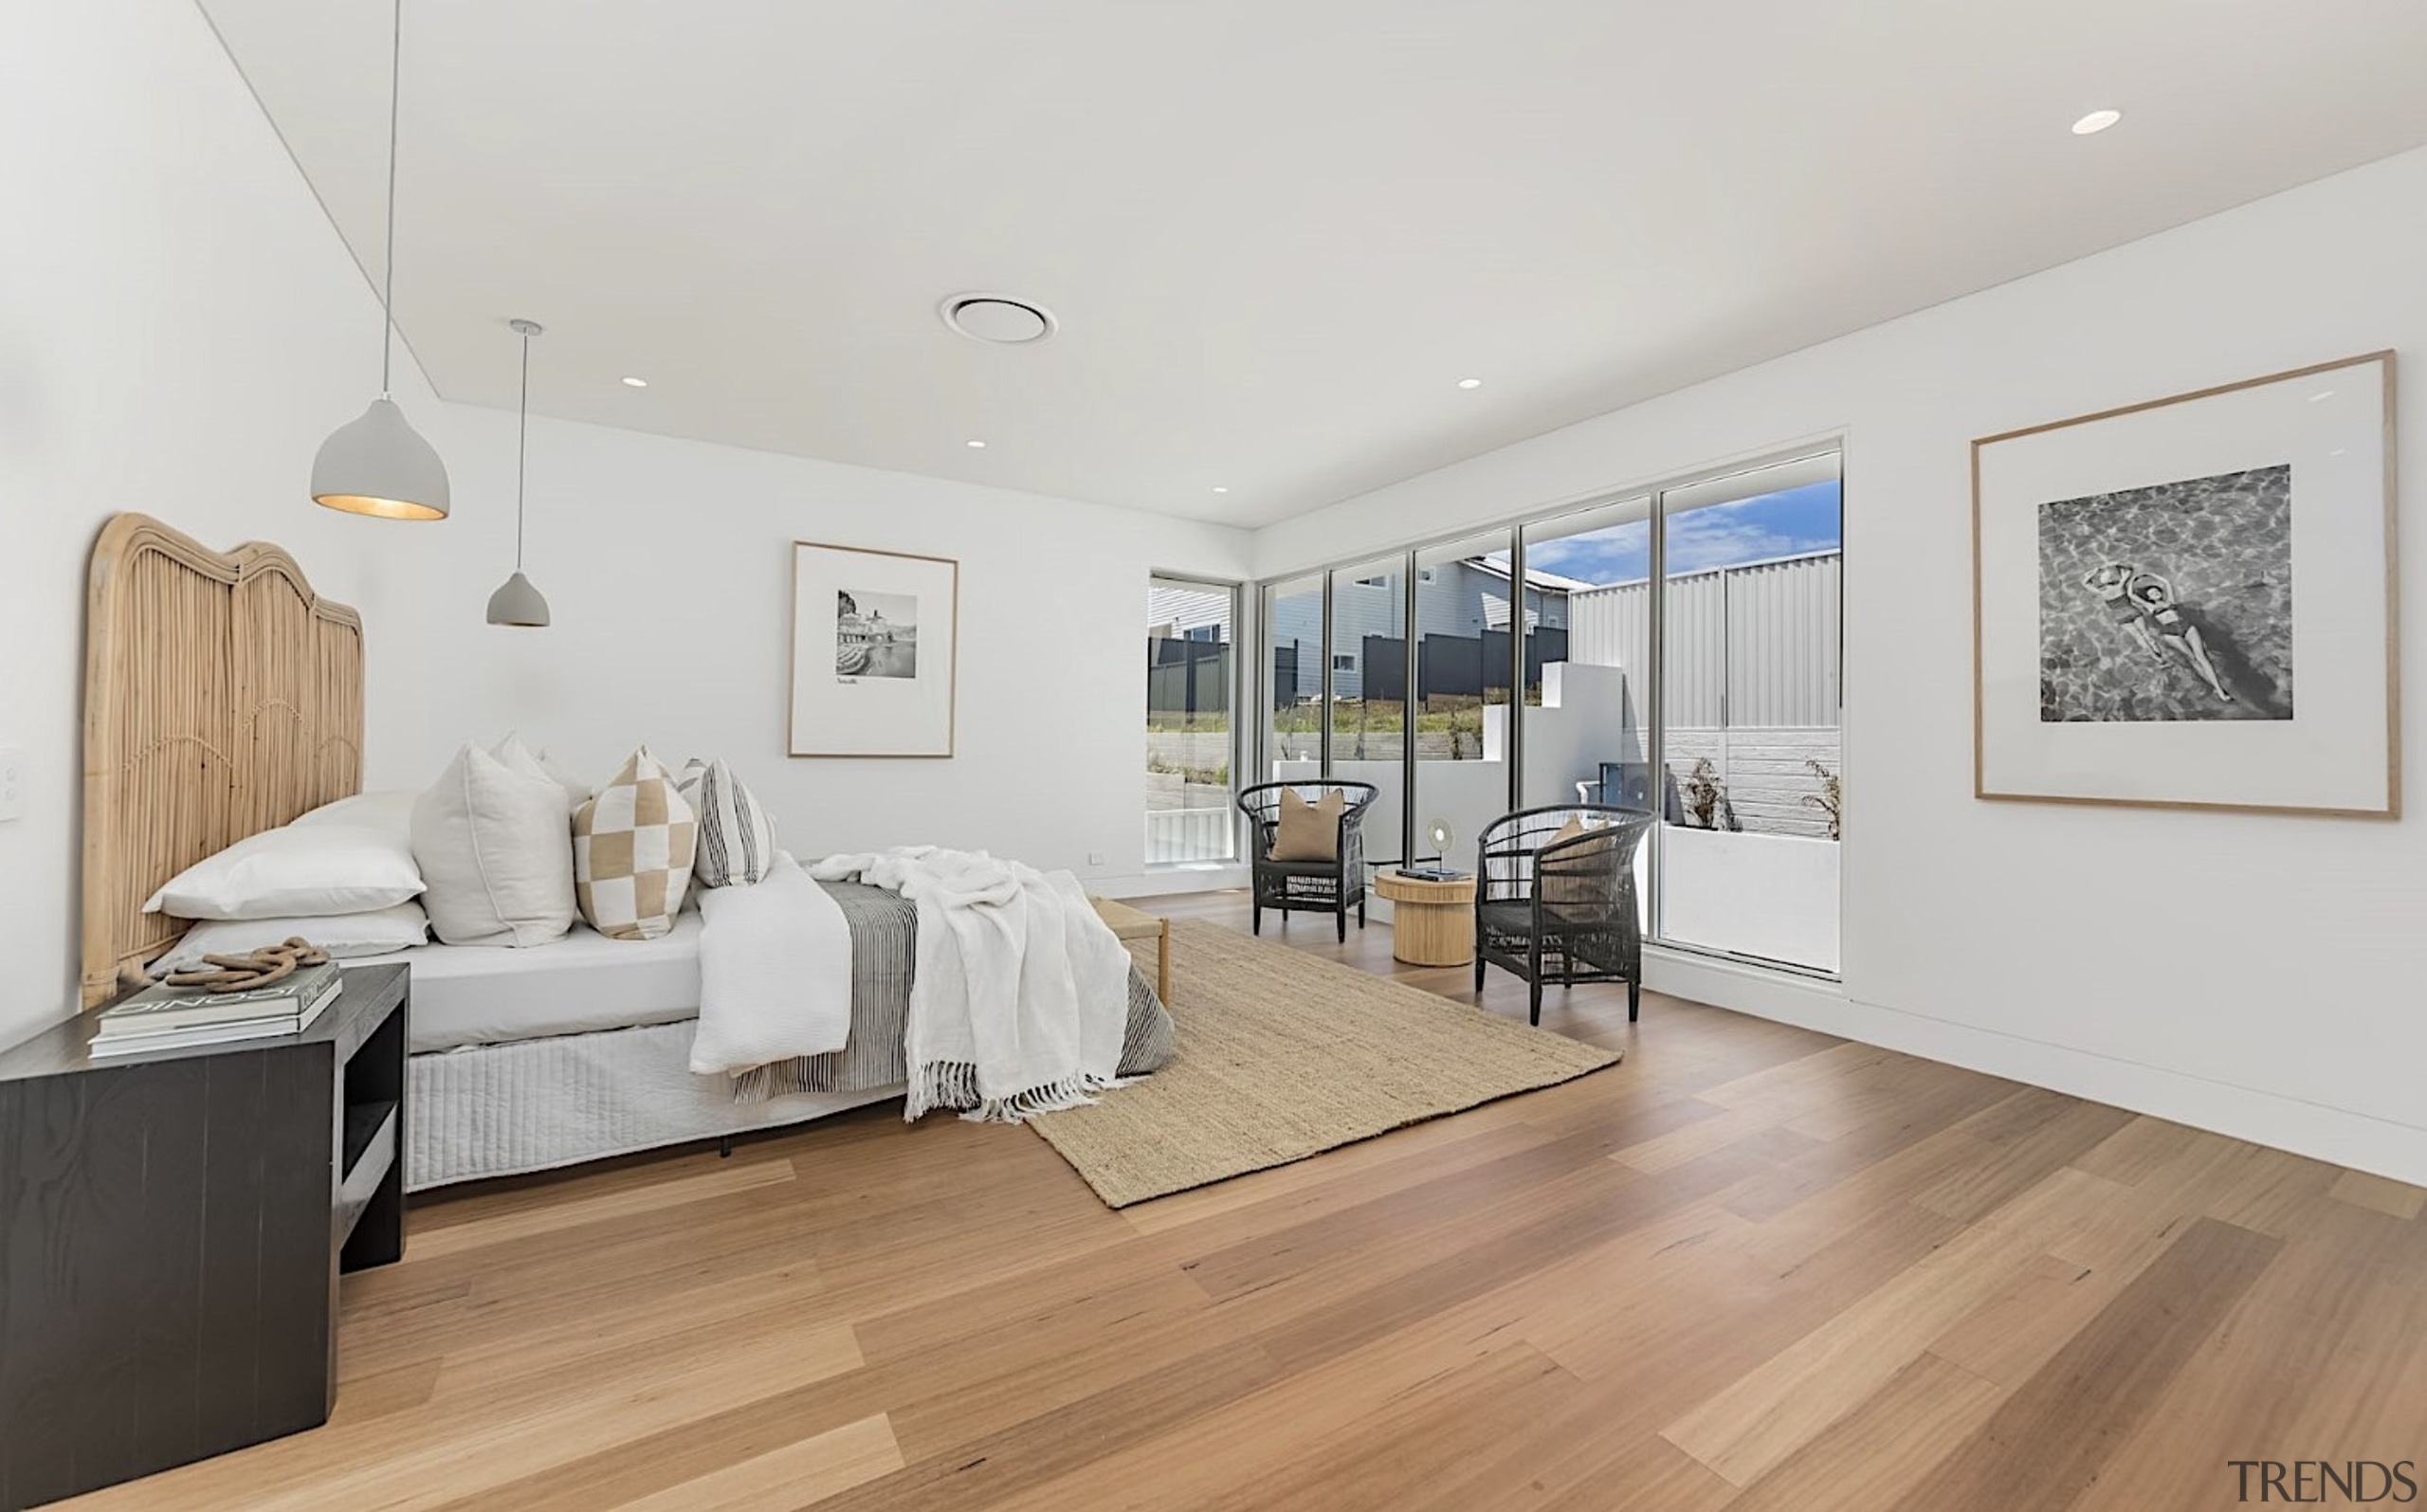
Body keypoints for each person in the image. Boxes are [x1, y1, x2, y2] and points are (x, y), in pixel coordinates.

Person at [2126, 571, 2234, 702]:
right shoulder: (2150, 606)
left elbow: (2167, 583)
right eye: (2152, 593)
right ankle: (2217, 688)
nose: (2155, 593)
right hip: (2170, 632)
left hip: (2186, 627)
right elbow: (2131, 595)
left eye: (2157, 591)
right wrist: (2133, 579)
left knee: (2202, 657)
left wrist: (2151, 575)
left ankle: (2219, 690)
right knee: (2193, 659)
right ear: (2149, 597)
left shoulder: (2170, 600)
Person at [2083, 562, 2165, 664]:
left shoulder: (2101, 592)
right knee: (2146, 634)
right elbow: (2130, 569)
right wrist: (2118, 564)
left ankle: (2157, 659)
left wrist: (2094, 572)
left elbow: (2085, 583)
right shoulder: (2120, 586)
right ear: (2111, 579)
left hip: (2121, 617)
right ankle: (2161, 654)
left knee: (2139, 638)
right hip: (2133, 611)